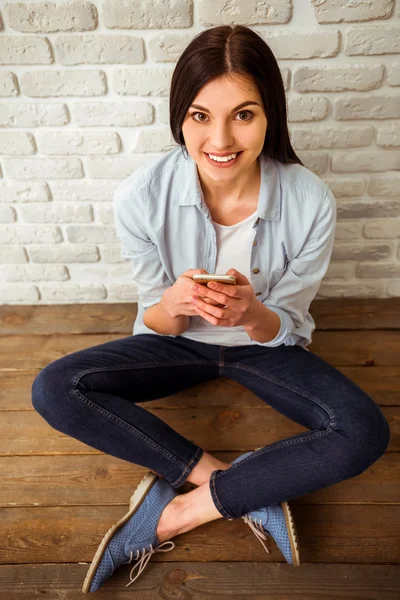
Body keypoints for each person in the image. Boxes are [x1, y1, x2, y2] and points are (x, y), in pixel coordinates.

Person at [31, 24, 390, 594]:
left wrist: (251, 314)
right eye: (200, 116)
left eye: (243, 114)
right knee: (53, 387)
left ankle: (177, 511)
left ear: (270, 114)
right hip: (174, 343)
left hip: (264, 349)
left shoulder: (310, 200)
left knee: (364, 432)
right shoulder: (140, 196)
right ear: (181, 117)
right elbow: (152, 318)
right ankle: (230, 483)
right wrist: (173, 305)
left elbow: (288, 322)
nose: (219, 138)